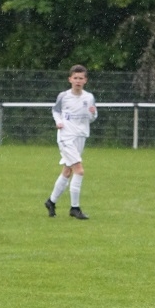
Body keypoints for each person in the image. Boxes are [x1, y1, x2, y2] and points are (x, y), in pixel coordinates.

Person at [44, 64, 97, 220]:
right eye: (75, 78)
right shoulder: (64, 96)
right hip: (66, 136)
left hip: (81, 136)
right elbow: (56, 111)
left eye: (81, 78)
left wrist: (93, 114)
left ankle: (51, 201)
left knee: (67, 171)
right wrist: (59, 122)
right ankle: (75, 208)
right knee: (79, 171)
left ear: (85, 80)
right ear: (70, 79)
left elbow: (92, 117)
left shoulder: (89, 97)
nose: (78, 81)